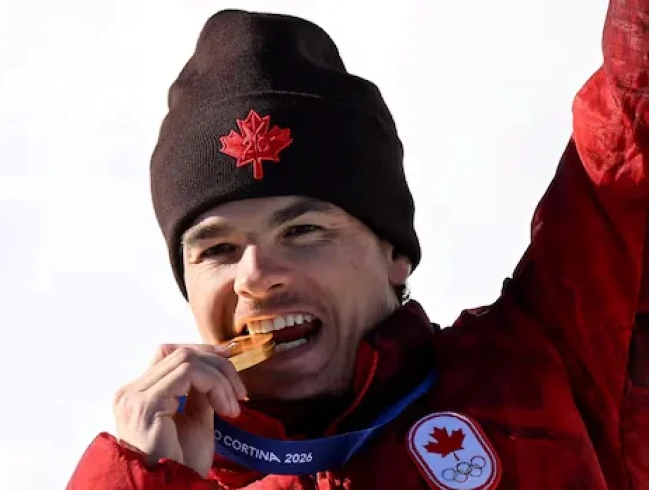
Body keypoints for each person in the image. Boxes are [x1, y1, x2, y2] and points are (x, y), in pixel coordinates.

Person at [67, 3, 649, 489]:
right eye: (217, 250)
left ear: (395, 253)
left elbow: (633, 141)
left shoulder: (547, 359)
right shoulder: (178, 480)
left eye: (303, 231)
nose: (254, 275)